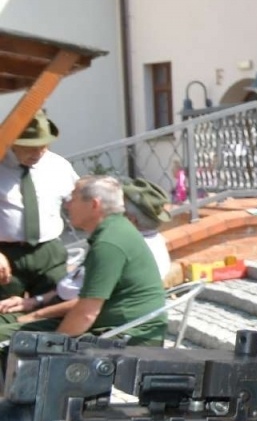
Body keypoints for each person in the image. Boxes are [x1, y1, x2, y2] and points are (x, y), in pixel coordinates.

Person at [0, 175, 168, 347]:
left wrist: (51, 347)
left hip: (124, 337)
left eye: (73, 198)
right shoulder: (115, 230)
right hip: (109, 328)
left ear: (94, 204)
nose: (67, 205)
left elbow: (86, 314)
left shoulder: (109, 243)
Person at [0, 112, 77, 306]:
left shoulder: (58, 166)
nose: (38, 153)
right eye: (30, 148)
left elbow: (80, 204)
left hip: (49, 252)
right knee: (5, 313)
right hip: (6, 256)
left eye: (43, 146)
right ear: (13, 142)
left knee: (55, 307)